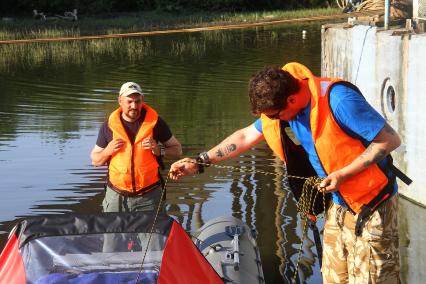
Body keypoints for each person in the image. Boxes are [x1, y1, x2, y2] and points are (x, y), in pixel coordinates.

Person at [169, 62, 406, 283]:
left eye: (274, 115)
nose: (272, 120)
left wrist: (343, 174)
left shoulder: (340, 101)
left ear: (291, 100)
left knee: (373, 278)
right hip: (339, 203)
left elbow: (389, 140)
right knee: (335, 277)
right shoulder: (283, 104)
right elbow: (244, 137)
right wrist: (200, 161)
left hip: (373, 206)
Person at [91, 82, 182, 214]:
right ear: (120, 101)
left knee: (152, 234)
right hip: (116, 196)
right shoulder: (108, 126)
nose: (134, 106)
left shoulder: (155, 123)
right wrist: (107, 151)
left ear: (142, 100)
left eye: (137, 101)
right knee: (113, 235)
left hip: (149, 197)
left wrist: (159, 150)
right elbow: (95, 160)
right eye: (129, 102)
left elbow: (177, 150)